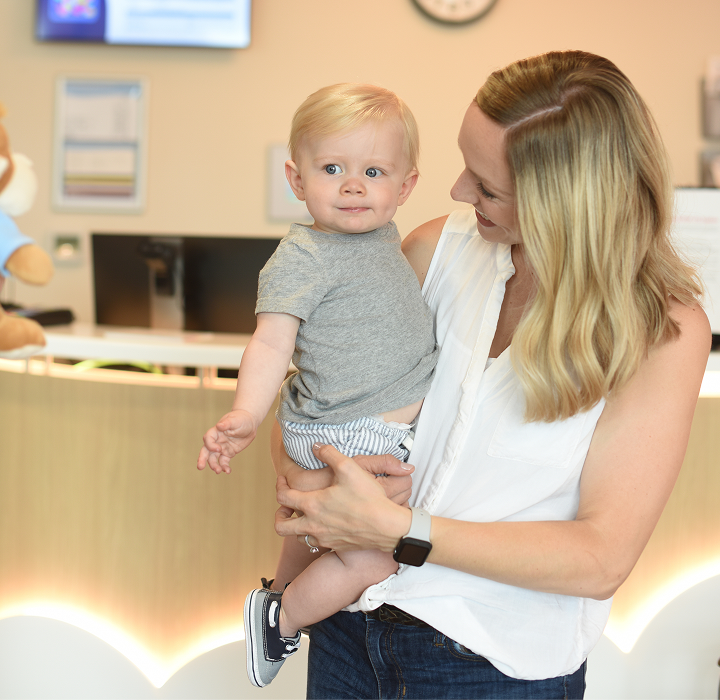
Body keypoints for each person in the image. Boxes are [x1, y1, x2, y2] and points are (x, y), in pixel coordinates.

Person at [272, 50, 712, 699]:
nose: (457, 192)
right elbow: (327, 401)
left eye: (487, 186)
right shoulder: (434, 250)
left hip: (488, 665)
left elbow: (600, 558)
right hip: (350, 627)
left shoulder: (661, 333)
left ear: (567, 204)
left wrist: (400, 532)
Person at [197, 83, 438, 687]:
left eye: (373, 171)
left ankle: (278, 590)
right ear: (296, 179)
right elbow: (272, 342)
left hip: (347, 423)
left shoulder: (382, 235)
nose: (353, 185)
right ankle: (279, 622)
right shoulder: (303, 254)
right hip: (348, 429)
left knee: (312, 533)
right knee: (377, 555)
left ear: (405, 185)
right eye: (332, 168)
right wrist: (247, 415)